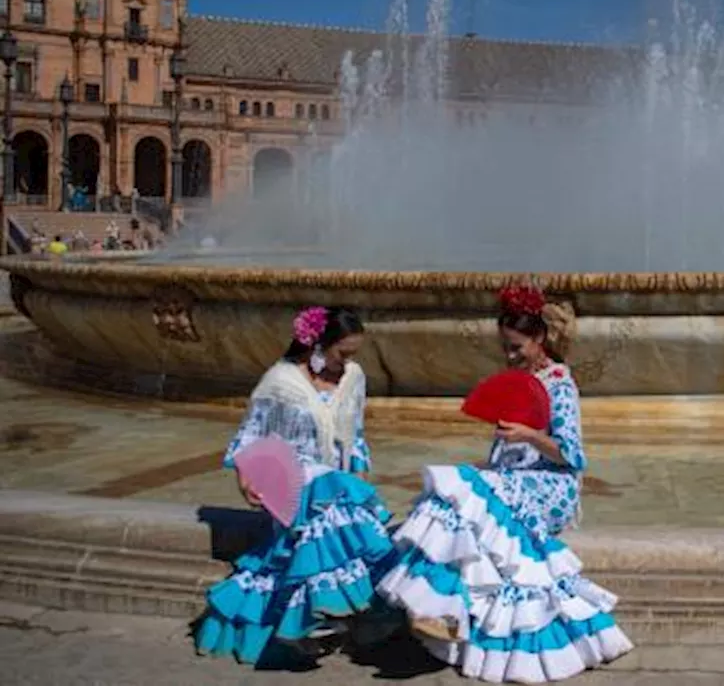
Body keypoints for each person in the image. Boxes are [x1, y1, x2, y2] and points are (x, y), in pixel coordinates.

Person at [378, 282, 633, 682]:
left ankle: (442, 611)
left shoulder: (559, 383)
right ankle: (439, 611)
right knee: (455, 494)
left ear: (540, 338)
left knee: (460, 486)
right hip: (512, 481)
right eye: (506, 348)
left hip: (551, 487)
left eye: (517, 347)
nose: (511, 356)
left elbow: (572, 456)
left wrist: (529, 435)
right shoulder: (520, 379)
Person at [194, 306, 397, 666]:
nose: (347, 362)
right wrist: (246, 481)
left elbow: (356, 431)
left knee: (344, 516)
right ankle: (323, 617)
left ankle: (325, 618)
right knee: (332, 519)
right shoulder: (280, 382)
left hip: (340, 483)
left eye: (353, 354)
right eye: (342, 353)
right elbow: (253, 433)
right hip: (295, 480)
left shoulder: (353, 376)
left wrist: (361, 473)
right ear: (317, 345)